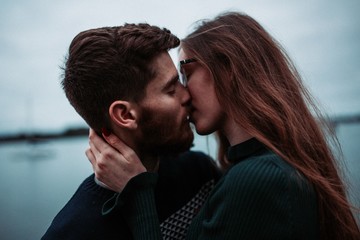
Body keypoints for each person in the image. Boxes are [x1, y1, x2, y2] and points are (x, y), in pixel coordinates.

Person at [88, 12, 360, 239]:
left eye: (186, 73)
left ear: (227, 69)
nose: (183, 93)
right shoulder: (261, 167)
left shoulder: (257, 178)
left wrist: (137, 193)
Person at [41, 23, 221, 240]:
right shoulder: (74, 232)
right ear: (125, 115)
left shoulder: (199, 172)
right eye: (171, 89)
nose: (187, 96)